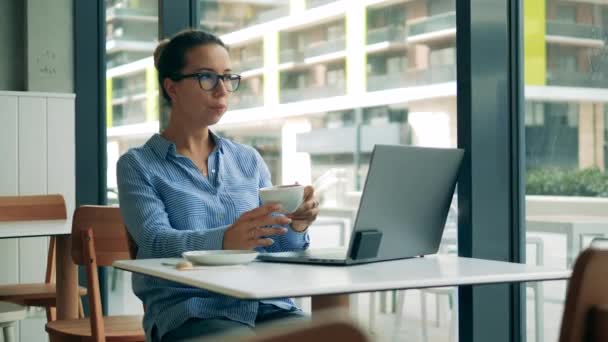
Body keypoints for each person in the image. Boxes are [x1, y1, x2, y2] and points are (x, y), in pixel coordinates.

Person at [116, 29, 320, 342]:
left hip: (265, 304)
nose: (222, 90)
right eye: (207, 77)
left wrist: (296, 226)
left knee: (337, 333)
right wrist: (225, 239)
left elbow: (278, 248)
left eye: (227, 77)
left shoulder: (248, 159)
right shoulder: (138, 164)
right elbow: (155, 242)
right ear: (172, 87)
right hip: (190, 310)